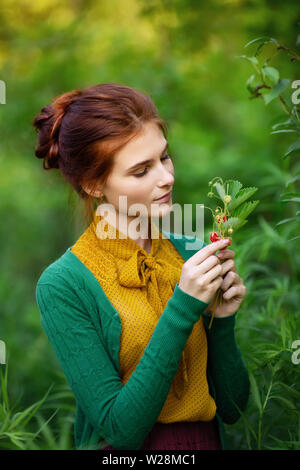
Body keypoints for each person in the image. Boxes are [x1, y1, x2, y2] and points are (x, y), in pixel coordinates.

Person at [33, 82, 250, 451]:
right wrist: (183, 307)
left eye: (164, 157)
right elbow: (121, 430)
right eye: (140, 171)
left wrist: (222, 318)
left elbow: (233, 409)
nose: (166, 177)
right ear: (94, 184)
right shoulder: (64, 284)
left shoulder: (190, 253)